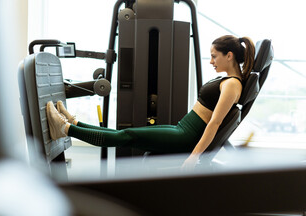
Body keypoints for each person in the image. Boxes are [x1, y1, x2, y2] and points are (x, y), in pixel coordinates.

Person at [46, 35, 255, 168]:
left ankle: (64, 129)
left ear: (229, 56)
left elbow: (214, 124)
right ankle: (74, 124)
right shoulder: (227, 81)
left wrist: (193, 157)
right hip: (182, 128)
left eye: (214, 56)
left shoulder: (232, 85)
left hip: (186, 137)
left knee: (126, 136)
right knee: (127, 135)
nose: (211, 61)